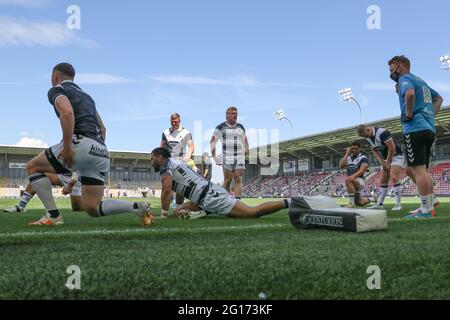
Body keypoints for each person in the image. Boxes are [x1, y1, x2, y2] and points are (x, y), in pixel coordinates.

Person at [27, 62, 153, 226]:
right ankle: (137, 207)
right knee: (92, 207)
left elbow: (67, 112)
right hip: (100, 149)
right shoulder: (88, 97)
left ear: (55, 77)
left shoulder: (57, 89)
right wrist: (93, 149)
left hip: (80, 143)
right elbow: (103, 128)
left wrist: (67, 147)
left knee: (33, 167)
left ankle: (53, 215)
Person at [150, 147, 290, 219]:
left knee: (252, 213)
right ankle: (201, 212)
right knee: (177, 211)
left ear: (160, 157)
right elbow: (180, 188)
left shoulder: (165, 166)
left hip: (209, 197)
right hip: (204, 196)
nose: (151, 162)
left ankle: (288, 202)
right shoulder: (177, 162)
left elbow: (166, 189)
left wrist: (163, 213)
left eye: (152, 159)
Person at [388, 55, 443, 218]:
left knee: (417, 170)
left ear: (400, 67)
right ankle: (429, 207)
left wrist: (409, 114)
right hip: (428, 128)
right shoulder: (421, 81)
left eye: (391, 69)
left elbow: (410, 94)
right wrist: (429, 116)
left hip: (414, 128)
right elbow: (439, 98)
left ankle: (425, 210)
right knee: (422, 170)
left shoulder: (404, 78)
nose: (391, 73)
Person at [357, 125, 404, 211]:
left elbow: (392, 147)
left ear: (368, 129)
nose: (366, 138)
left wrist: (388, 161)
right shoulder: (368, 137)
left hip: (396, 156)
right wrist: (381, 161)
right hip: (386, 159)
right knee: (383, 181)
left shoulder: (383, 133)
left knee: (394, 177)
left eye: (366, 135)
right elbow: (374, 150)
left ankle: (398, 204)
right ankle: (379, 204)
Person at [210, 106, 249, 199]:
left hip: (239, 156)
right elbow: (212, 142)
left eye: (236, 114)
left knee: (238, 178)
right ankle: (227, 202)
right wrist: (215, 157)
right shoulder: (220, 127)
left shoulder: (241, 127)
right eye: (233, 114)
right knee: (227, 180)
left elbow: (245, 140)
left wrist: (246, 149)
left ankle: (238, 202)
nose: (235, 115)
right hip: (227, 156)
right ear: (227, 115)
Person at [160, 113, 195, 215]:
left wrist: (188, 155)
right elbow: (162, 146)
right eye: (172, 121)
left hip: (180, 163)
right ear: (170, 121)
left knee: (180, 189)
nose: (174, 123)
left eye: (176, 121)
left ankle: (179, 209)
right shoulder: (165, 132)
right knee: (166, 187)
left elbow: (191, 146)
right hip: (168, 163)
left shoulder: (186, 132)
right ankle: (164, 212)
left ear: (180, 121)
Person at [3, 172, 83, 213]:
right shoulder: (60, 147)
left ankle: (93, 203)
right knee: (38, 177)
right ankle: (21, 206)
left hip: (76, 179)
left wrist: (70, 185)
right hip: (62, 175)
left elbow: (79, 169)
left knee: (78, 209)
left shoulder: (80, 147)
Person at [339, 142, 373, 208]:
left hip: (360, 180)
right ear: (350, 149)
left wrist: (352, 177)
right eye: (352, 149)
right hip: (352, 182)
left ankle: (351, 203)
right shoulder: (348, 158)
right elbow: (341, 166)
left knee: (348, 179)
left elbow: (362, 170)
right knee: (359, 203)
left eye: (356, 149)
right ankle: (373, 199)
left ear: (359, 149)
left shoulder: (363, 158)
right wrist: (346, 154)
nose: (354, 150)